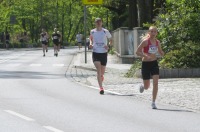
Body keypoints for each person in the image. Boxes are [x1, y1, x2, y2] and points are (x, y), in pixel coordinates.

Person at [136, 26, 164, 109]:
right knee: (147, 86)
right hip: (145, 64)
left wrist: (162, 53)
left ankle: (153, 102)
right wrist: (145, 55)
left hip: (154, 64)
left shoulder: (157, 42)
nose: (153, 33)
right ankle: (143, 86)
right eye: (151, 31)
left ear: (156, 33)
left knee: (155, 83)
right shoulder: (145, 42)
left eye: (154, 32)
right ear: (149, 33)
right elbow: (137, 51)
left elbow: (160, 51)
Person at [89, 18, 112, 95]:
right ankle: (101, 88)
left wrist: (108, 45)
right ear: (95, 23)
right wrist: (91, 44)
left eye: (100, 22)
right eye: (97, 22)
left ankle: (101, 76)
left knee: (102, 71)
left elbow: (111, 39)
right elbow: (91, 39)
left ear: (102, 23)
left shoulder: (105, 31)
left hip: (103, 53)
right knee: (98, 69)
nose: (98, 23)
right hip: (95, 52)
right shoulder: (92, 31)